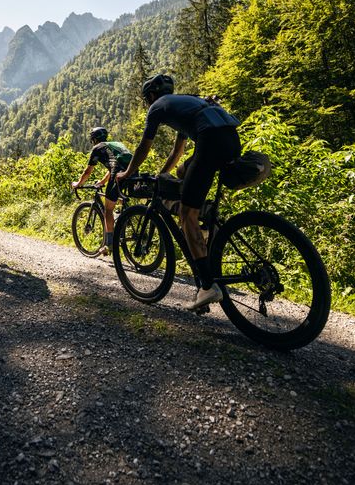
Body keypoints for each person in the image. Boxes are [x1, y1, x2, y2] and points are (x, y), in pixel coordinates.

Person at [116, 74, 241, 310]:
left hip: (210, 141)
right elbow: (177, 152)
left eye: (147, 99)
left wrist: (128, 172)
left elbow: (144, 145)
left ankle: (207, 286)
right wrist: (162, 174)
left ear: (151, 96)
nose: (147, 103)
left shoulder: (157, 107)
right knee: (185, 172)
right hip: (230, 138)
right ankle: (203, 224)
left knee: (186, 214)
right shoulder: (187, 102)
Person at [72, 127, 133, 256]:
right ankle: (124, 220)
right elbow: (113, 165)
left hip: (118, 174)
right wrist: (103, 182)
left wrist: (78, 184)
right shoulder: (115, 144)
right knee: (118, 198)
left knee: (108, 209)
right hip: (133, 171)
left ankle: (109, 244)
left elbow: (87, 171)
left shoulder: (97, 148)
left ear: (94, 139)